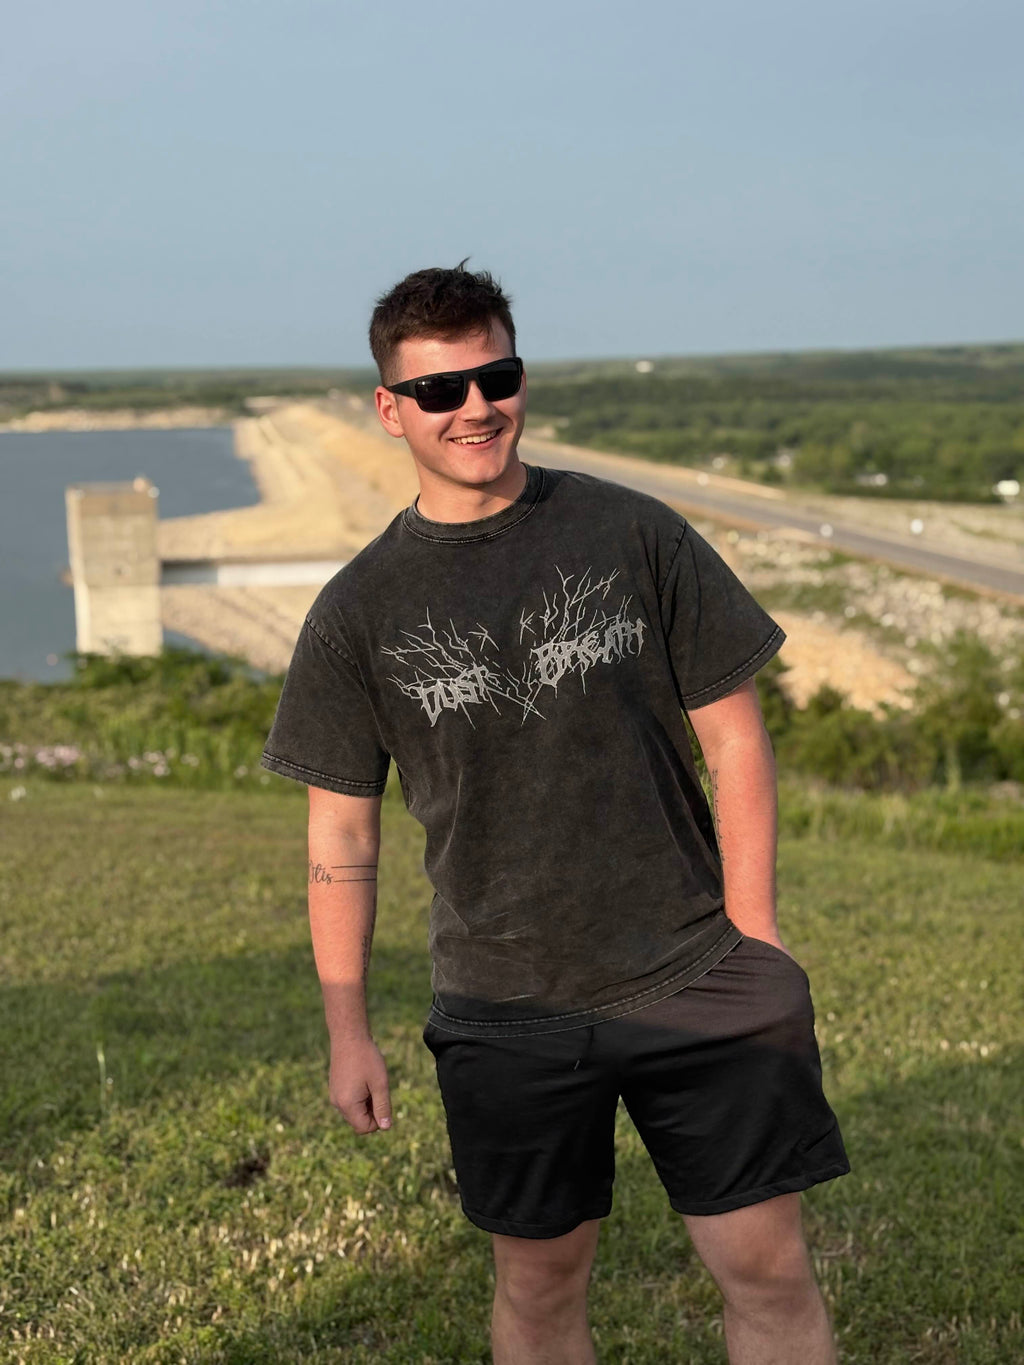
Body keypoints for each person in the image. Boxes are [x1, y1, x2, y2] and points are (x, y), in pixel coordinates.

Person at [262, 263, 849, 1364]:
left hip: (696, 969)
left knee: (766, 1269)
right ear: (389, 410)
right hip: (503, 1003)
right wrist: (349, 1032)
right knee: (539, 1287)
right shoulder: (357, 612)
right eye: (439, 391)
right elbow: (340, 836)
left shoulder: (632, 533)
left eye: (498, 376)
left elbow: (734, 737)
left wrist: (758, 936)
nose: (475, 407)